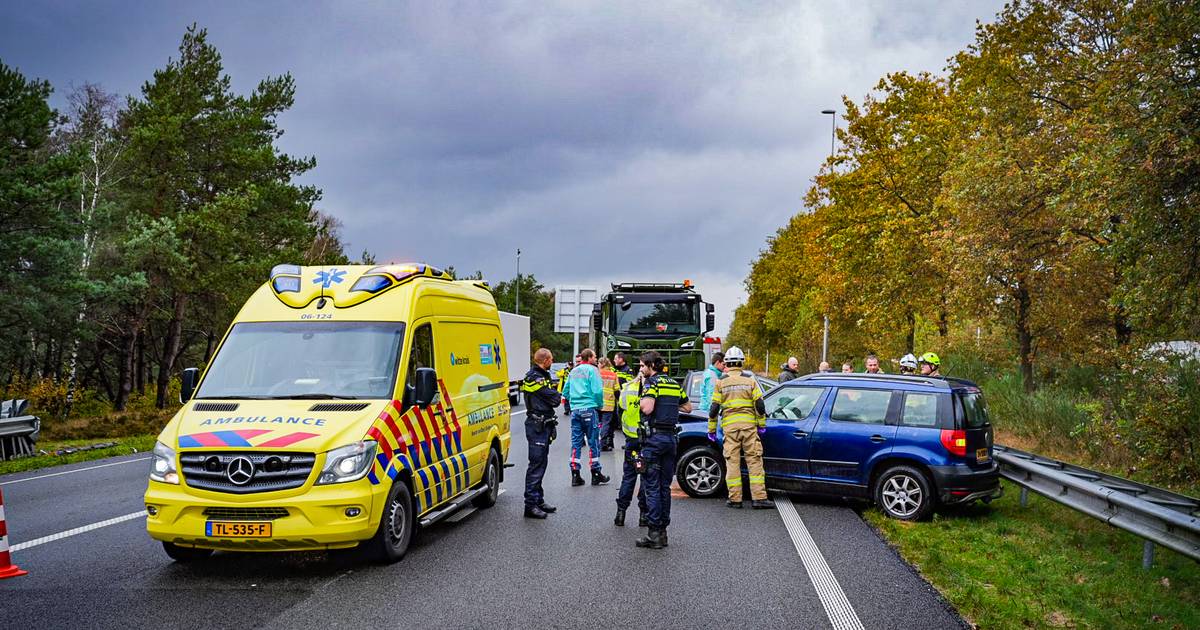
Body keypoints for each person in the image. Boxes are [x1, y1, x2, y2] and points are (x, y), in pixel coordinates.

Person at [635, 350, 691, 549]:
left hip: (654, 440)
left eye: (642, 366)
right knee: (664, 487)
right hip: (670, 440)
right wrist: (669, 408)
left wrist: (641, 399)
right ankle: (663, 533)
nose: (640, 370)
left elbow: (648, 408)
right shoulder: (674, 384)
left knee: (652, 486)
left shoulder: (652, 383)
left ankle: (654, 533)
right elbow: (688, 407)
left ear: (651, 366)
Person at [707, 346, 773, 510]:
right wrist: (762, 425)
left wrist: (711, 430)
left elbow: (714, 409)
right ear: (741, 362)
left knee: (732, 463)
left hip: (730, 429)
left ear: (727, 363)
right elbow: (759, 405)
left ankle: (735, 499)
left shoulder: (720, 382)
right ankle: (759, 499)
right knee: (754, 462)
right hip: (749, 428)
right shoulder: (750, 380)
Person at [520, 348, 561, 519]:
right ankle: (530, 506)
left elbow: (552, 397)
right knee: (536, 465)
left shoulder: (542, 375)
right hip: (537, 425)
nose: (552, 361)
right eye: (551, 359)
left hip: (543, 424)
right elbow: (555, 399)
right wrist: (554, 394)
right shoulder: (534, 377)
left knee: (541, 464)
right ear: (546, 360)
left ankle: (538, 499)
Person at [562, 349, 610, 486]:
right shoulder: (592, 370)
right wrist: (600, 405)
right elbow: (597, 391)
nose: (596, 359)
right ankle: (596, 473)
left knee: (576, 442)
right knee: (593, 442)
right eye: (594, 357)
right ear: (589, 358)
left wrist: (574, 402)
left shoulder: (573, 371)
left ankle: (575, 475)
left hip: (576, 411)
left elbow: (565, 391)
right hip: (589, 408)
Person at [614, 372, 648, 527]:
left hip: (631, 439)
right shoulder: (652, 389)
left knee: (628, 476)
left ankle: (620, 514)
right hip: (646, 439)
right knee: (646, 477)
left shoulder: (627, 388)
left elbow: (621, 407)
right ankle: (643, 515)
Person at [596, 357, 622, 452]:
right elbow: (616, 390)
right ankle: (603, 444)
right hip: (609, 404)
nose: (597, 365)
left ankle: (596, 443)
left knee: (597, 424)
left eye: (599, 363)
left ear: (602, 364)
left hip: (597, 403)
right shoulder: (613, 375)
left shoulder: (596, 374)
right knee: (605, 424)